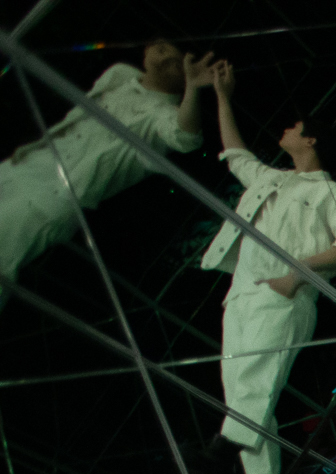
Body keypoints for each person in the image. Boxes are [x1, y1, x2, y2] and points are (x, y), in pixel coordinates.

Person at [202, 65, 336, 474]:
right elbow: (236, 155)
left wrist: (295, 275)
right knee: (241, 391)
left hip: (284, 294)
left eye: (296, 127)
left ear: (311, 139)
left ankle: (220, 456)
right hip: (240, 293)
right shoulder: (271, 179)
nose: (287, 129)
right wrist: (222, 97)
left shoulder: (332, 193)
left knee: (255, 382)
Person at [0, 38, 212, 288]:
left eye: (176, 64)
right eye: (162, 49)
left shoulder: (160, 116)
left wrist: (193, 88)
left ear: (183, 81)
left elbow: (186, 137)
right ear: (147, 50)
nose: (165, 58)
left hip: (52, 196)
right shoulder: (119, 74)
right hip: (31, 163)